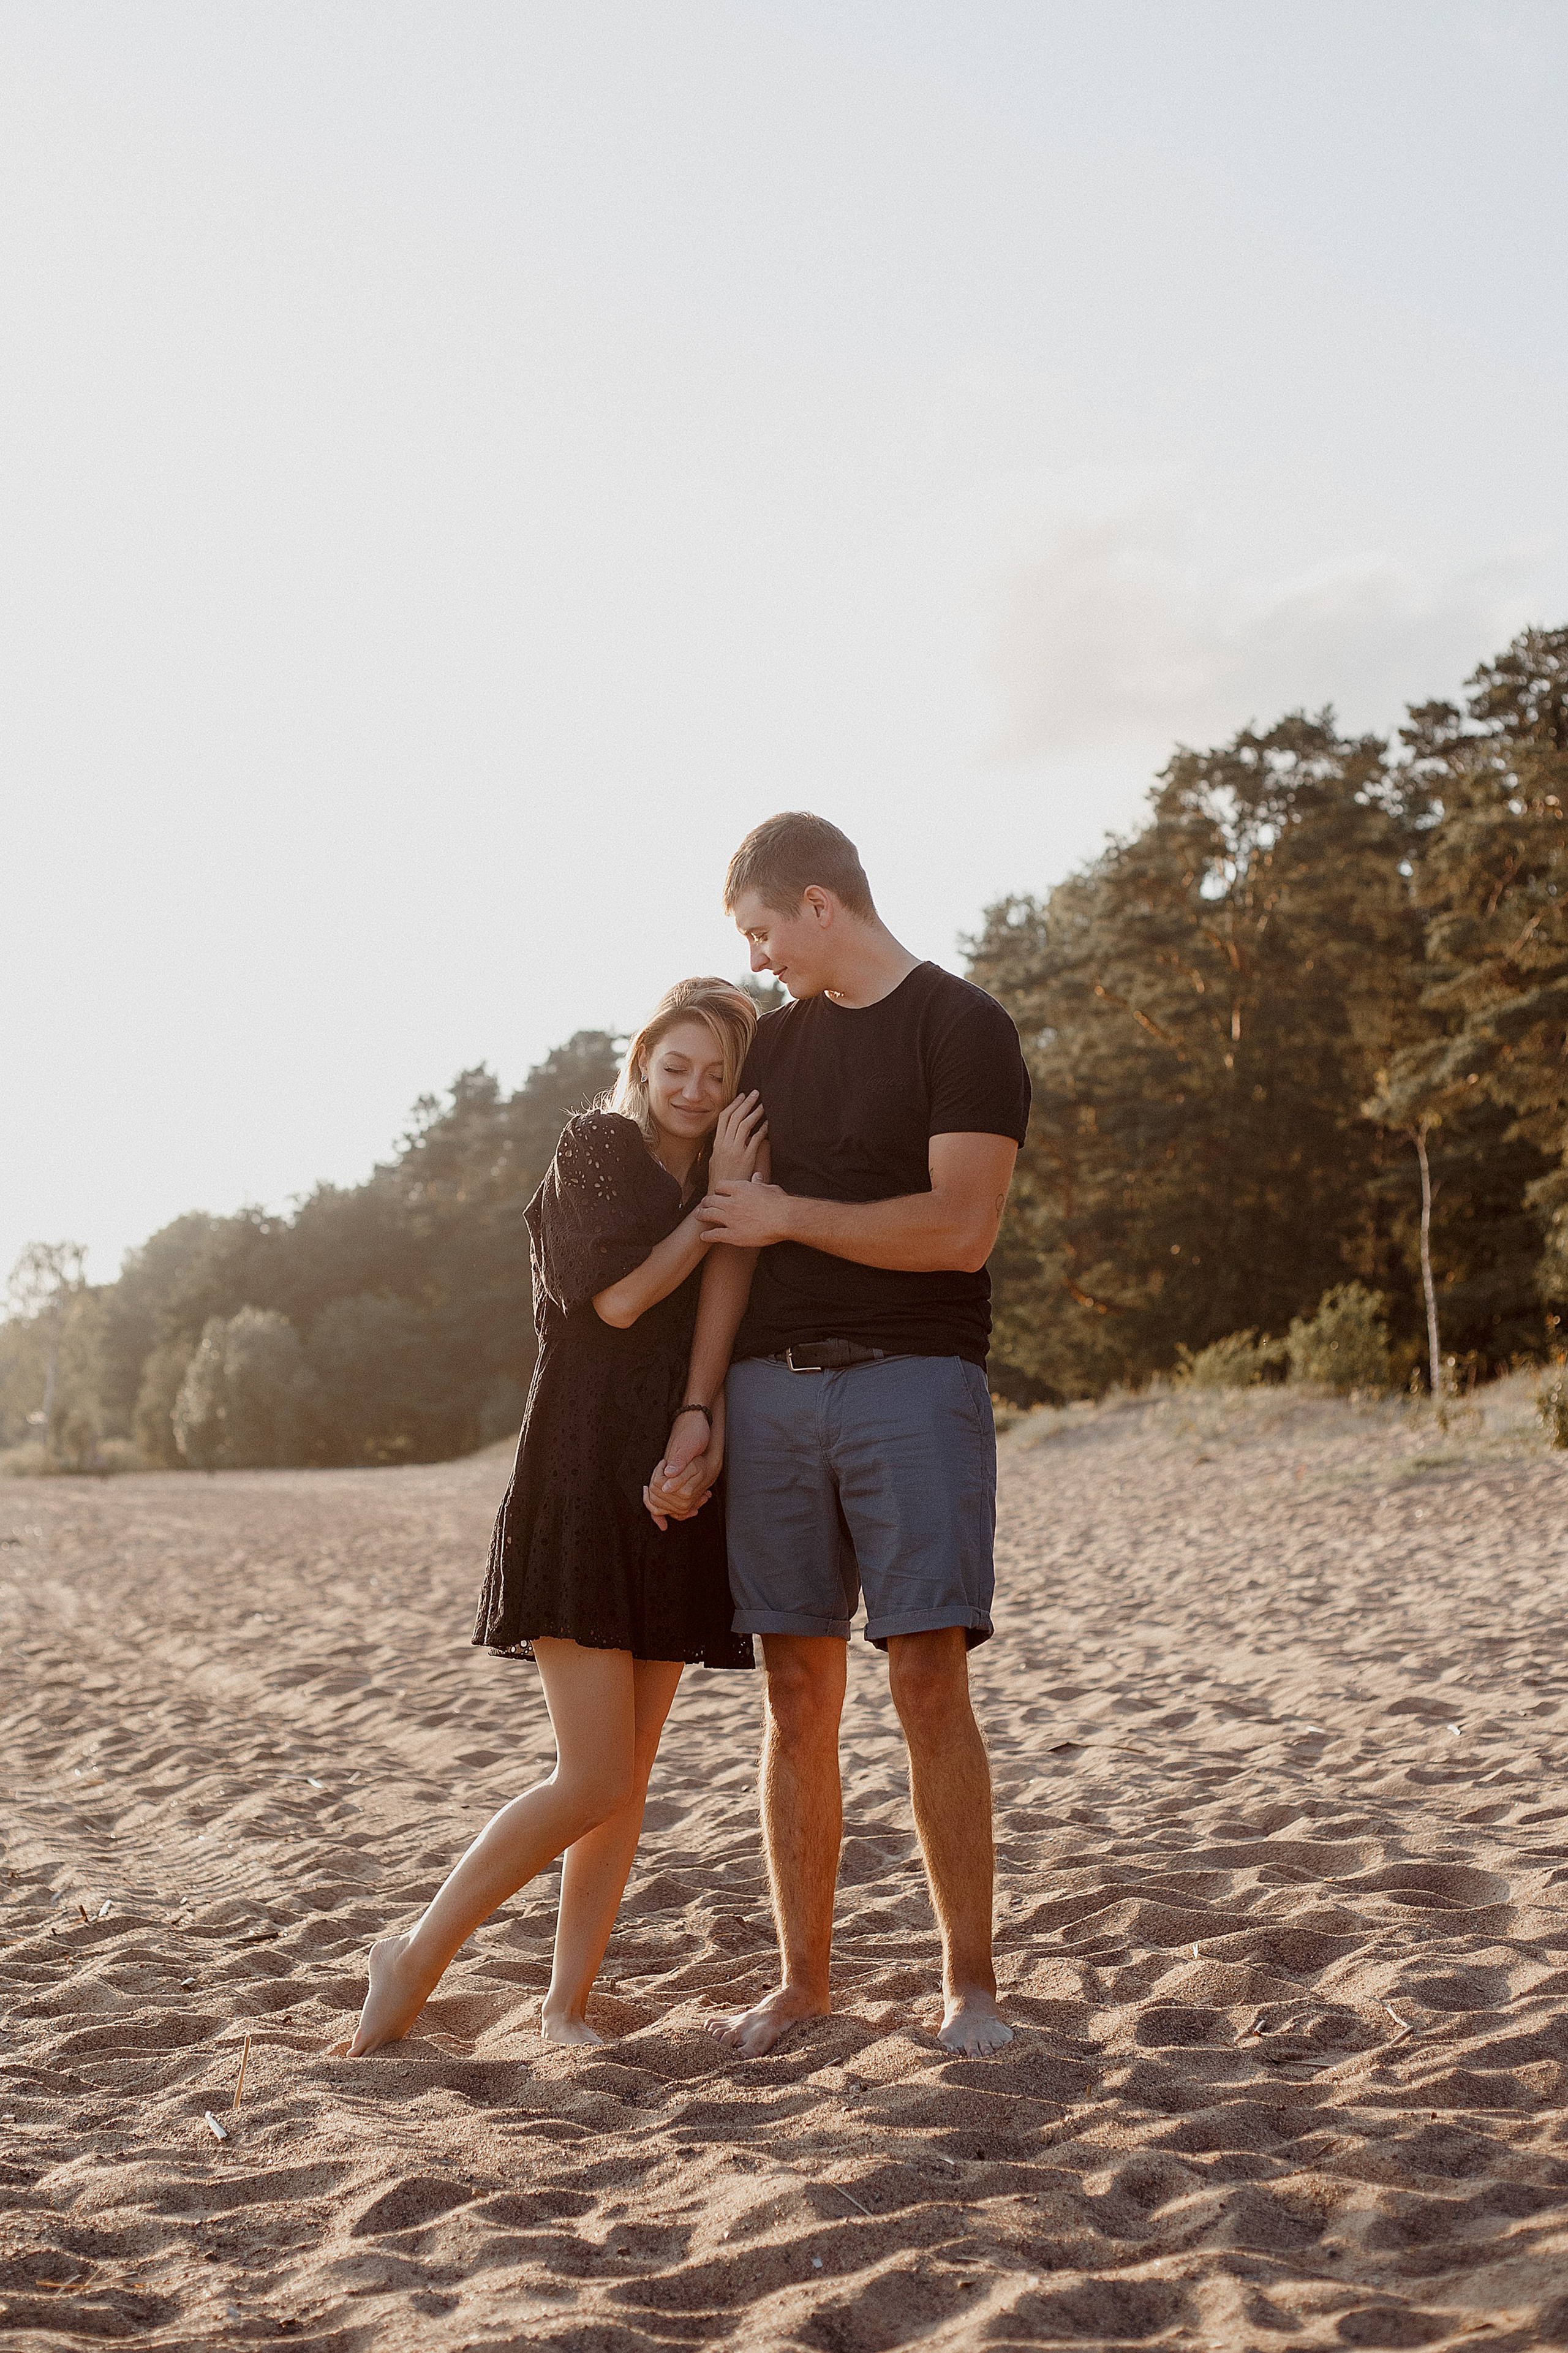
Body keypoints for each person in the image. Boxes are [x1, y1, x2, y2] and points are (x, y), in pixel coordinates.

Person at [646, 814, 1030, 2059]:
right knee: (795, 1690)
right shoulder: (768, 1053)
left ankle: (969, 1987)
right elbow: (729, 1236)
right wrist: (701, 1406)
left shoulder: (962, 1026)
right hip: (768, 1394)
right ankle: (802, 1984)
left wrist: (788, 1214)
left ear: (820, 903)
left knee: (926, 1676)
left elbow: (958, 1228)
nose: (756, 960)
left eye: (762, 931)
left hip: (915, 1382)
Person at [339, 978, 762, 2057]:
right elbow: (617, 1300)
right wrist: (715, 1206)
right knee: (593, 1773)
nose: (694, 1089)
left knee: (629, 1778)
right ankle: (414, 1951)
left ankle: (566, 2004)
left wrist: (701, 1441)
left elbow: (724, 1322)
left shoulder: (723, 1175)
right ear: (643, 1058)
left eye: (717, 1075)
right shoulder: (597, 1148)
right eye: (677, 1065)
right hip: (578, 1475)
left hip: (670, 1479)